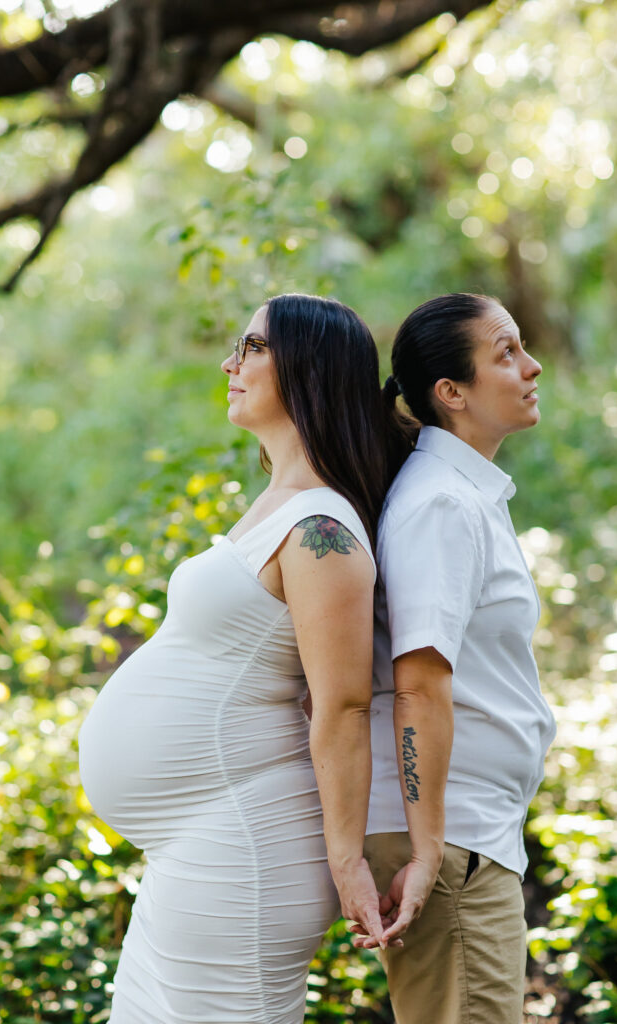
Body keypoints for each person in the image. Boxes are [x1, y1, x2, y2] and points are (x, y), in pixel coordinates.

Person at [78, 293, 411, 1024]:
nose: (231, 364)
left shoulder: (324, 527)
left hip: (244, 849)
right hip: (196, 846)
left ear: (309, 369)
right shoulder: (280, 503)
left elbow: (343, 704)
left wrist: (347, 860)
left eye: (253, 348)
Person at [362, 293, 557, 1024]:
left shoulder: (463, 496)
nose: (531, 365)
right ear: (452, 393)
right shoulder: (442, 505)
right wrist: (429, 848)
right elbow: (417, 685)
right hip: (451, 846)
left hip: (467, 838)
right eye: (505, 352)